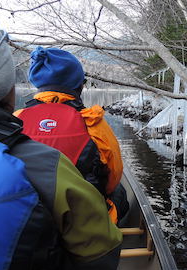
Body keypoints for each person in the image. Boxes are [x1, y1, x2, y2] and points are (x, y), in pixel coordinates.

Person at [0, 17, 122, 270]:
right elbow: (112, 178)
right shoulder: (89, 123)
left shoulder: (20, 116)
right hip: (69, 232)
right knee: (117, 195)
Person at [14, 46, 127, 224]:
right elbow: (113, 177)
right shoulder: (92, 121)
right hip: (82, 222)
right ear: (78, 85)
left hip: (27, 220)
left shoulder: (16, 119)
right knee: (119, 191)